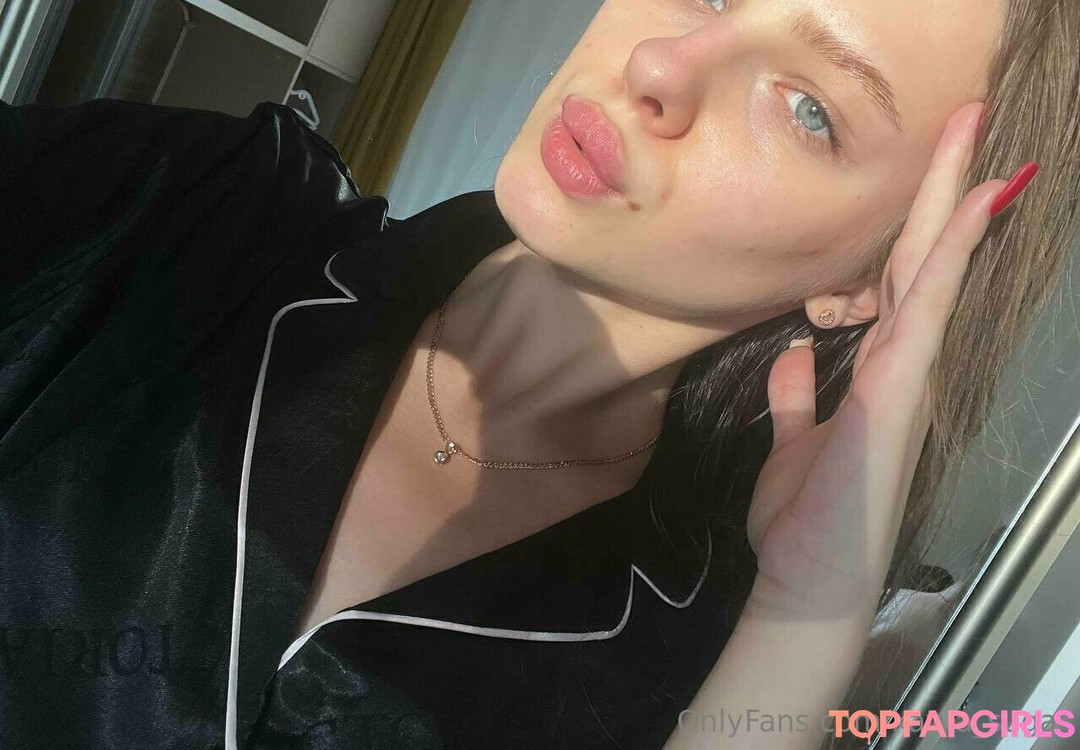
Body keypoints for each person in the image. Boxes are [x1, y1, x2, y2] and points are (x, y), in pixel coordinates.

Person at [1, 1, 1077, 749]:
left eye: (809, 109)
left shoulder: (689, 657)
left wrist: (807, 615)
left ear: (866, 281)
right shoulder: (202, 211)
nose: (663, 66)